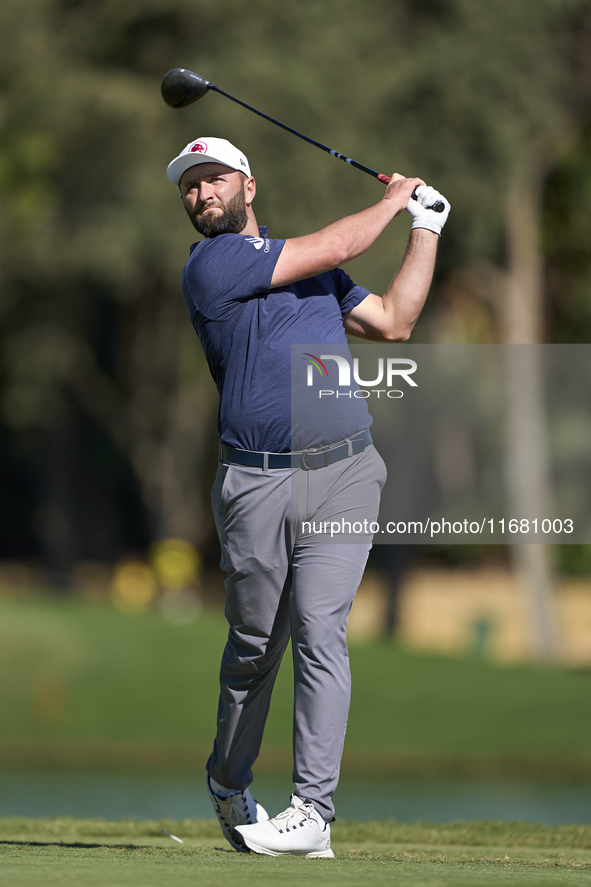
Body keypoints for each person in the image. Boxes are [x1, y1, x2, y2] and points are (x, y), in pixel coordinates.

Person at [166, 137, 450, 858]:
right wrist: (392, 201)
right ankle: (229, 779)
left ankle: (312, 812)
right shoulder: (212, 265)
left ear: (248, 187)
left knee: (322, 632)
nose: (201, 195)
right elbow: (327, 244)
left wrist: (426, 228)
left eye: (213, 181)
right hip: (255, 481)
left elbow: (394, 322)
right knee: (256, 645)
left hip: (346, 470)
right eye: (190, 188)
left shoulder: (316, 272)